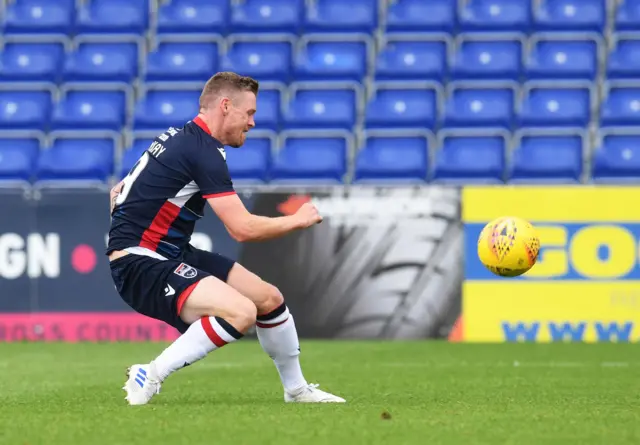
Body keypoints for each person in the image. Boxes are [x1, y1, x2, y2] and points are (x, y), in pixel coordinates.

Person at [107, 72, 345, 405]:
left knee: (268, 299)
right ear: (225, 105)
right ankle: (151, 372)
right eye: (248, 113)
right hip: (141, 263)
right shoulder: (201, 150)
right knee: (240, 312)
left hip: (169, 252)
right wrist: (297, 220)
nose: (252, 122)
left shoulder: (182, 137)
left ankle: (296, 390)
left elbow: (117, 193)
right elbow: (242, 229)